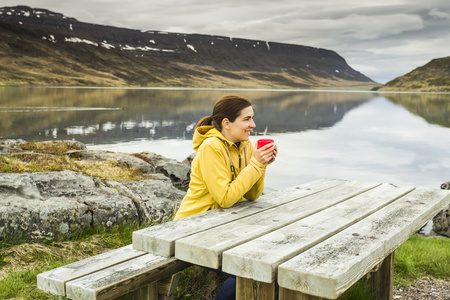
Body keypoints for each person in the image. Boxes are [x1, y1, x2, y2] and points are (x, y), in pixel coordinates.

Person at [173, 95, 278, 300]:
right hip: (192, 228)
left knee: (270, 261)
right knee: (250, 273)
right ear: (226, 123)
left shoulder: (245, 145)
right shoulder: (211, 148)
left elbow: (253, 195)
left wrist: (261, 164)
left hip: (220, 226)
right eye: (247, 119)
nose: (253, 125)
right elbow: (225, 198)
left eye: (252, 118)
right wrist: (255, 164)